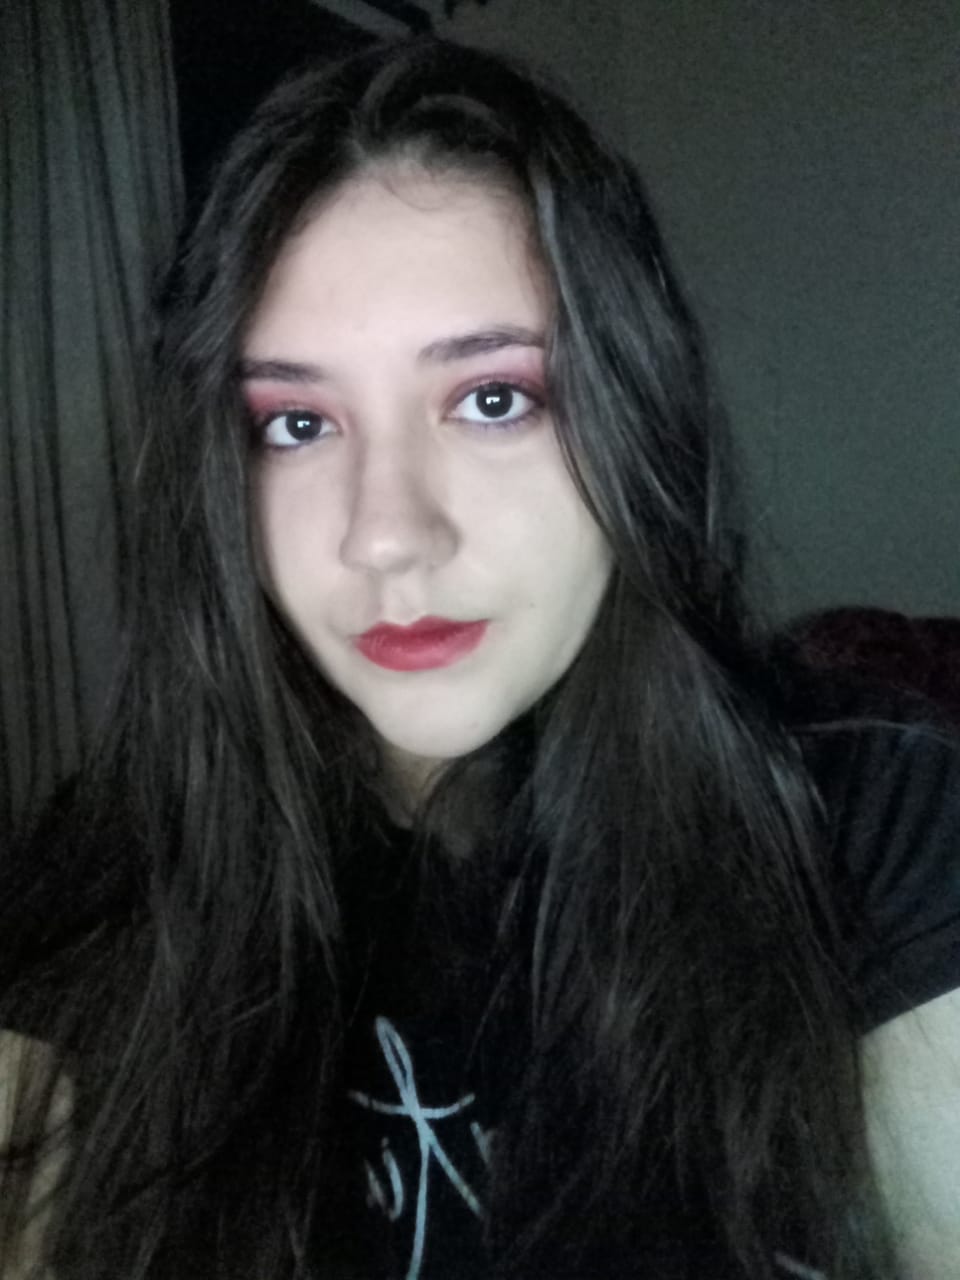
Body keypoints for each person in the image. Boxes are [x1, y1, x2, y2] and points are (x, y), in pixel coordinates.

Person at [1, 34, 959, 1280]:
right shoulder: (104, 885)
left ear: (634, 412)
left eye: (493, 398)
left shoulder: (876, 832)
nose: (388, 534)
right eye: (295, 423)